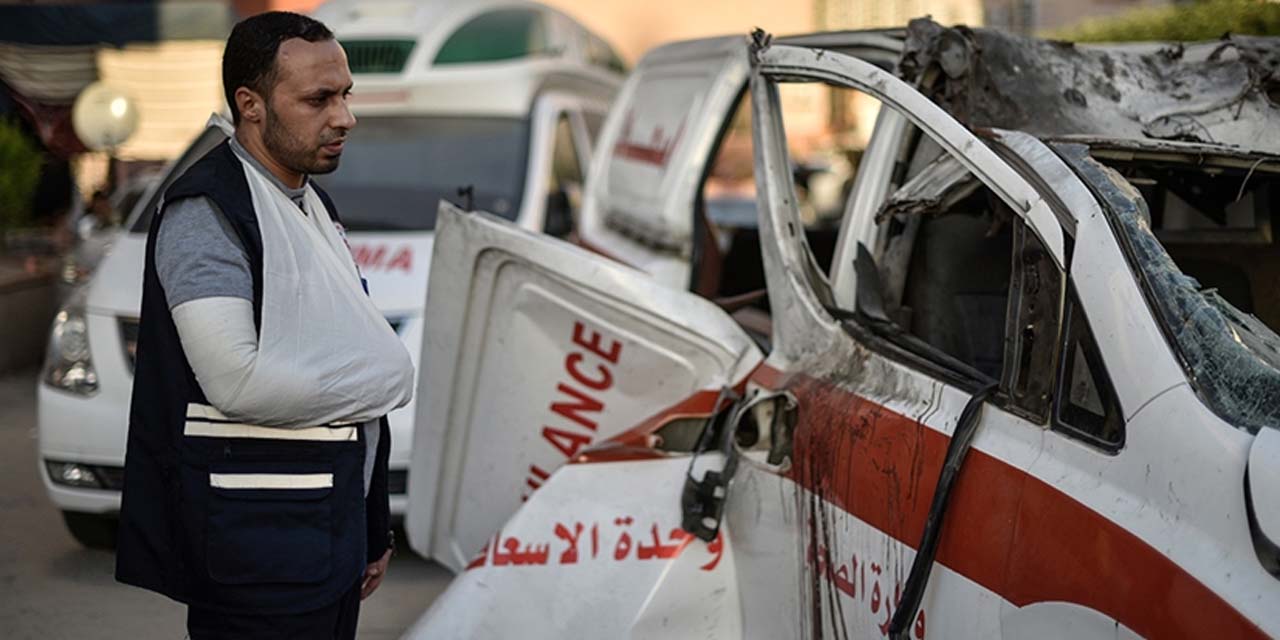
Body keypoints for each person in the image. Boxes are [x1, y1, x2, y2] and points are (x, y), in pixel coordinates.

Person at [114, 12, 415, 639]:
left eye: (346, 94)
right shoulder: (208, 214)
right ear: (250, 104)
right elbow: (238, 383)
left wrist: (370, 523)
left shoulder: (308, 205)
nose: (344, 117)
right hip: (256, 551)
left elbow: (341, 359)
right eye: (318, 99)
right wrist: (390, 378)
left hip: (328, 537)